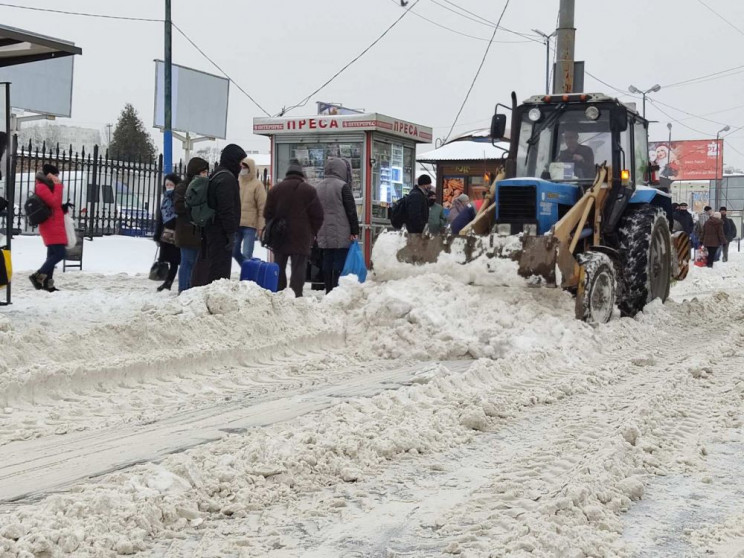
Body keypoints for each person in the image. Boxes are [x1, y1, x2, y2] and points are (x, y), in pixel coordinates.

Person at [264, 161, 324, 297]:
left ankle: (279, 293)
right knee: (299, 266)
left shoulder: (275, 190)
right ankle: (296, 294)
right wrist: (312, 231)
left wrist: (273, 227)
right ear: (301, 174)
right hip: (301, 235)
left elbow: (267, 213)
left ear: (287, 174)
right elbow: (318, 215)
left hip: (280, 234)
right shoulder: (309, 190)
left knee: (279, 265)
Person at [192, 144, 247, 287]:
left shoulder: (218, 174)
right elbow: (226, 209)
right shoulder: (226, 179)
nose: (241, 166)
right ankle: (215, 298)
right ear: (233, 160)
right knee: (219, 270)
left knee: (210, 265)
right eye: (240, 162)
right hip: (220, 232)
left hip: (213, 229)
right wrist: (230, 232)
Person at [315, 157, 359, 293]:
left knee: (327, 259)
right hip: (341, 230)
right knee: (339, 260)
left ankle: (328, 288)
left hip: (323, 230)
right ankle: (336, 289)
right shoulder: (342, 186)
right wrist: (354, 230)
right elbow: (351, 210)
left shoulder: (318, 186)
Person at [29, 164, 67, 292]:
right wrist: (58, 185)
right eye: (55, 175)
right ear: (49, 175)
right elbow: (54, 203)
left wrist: (64, 209)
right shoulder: (42, 187)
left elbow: (54, 206)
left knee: (52, 255)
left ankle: (47, 284)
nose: (57, 178)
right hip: (50, 226)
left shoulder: (48, 187)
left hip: (54, 224)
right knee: (60, 253)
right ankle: (38, 276)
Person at [174, 157, 209, 293]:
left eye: (206, 171)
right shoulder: (183, 187)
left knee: (197, 264)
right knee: (187, 262)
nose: (205, 174)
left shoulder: (205, 185)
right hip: (187, 231)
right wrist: (192, 205)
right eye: (203, 171)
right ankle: (184, 290)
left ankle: (193, 289)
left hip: (199, 231)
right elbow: (178, 207)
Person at [234, 157, 266, 266]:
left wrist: (261, 226)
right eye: (241, 167)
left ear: (250, 168)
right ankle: (248, 269)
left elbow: (262, 207)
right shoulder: (237, 182)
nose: (243, 169)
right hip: (237, 223)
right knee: (234, 251)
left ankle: (247, 275)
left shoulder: (257, 185)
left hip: (250, 225)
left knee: (247, 254)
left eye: (245, 167)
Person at [153, 173, 182, 291]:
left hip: (175, 233)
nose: (169, 186)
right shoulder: (165, 199)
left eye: (171, 184)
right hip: (165, 233)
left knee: (174, 260)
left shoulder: (177, 197)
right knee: (164, 258)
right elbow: (160, 217)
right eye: (167, 185)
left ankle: (168, 282)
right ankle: (164, 280)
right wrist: (157, 235)